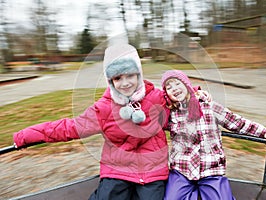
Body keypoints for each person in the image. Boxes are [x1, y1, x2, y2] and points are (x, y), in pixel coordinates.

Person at [13, 44, 171, 200]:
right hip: (118, 170)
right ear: (111, 81)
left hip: (153, 172)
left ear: (139, 74)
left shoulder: (157, 98)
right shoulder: (104, 109)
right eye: (118, 78)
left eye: (130, 75)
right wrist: (25, 136)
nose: (125, 83)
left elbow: (184, 104)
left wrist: (194, 94)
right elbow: (69, 128)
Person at [161, 70, 266, 200]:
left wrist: (261, 132)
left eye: (177, 83)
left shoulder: (209, 107)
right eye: (169, 88)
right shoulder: (170, 113)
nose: (174, 89)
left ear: (186, 84)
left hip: (210, 168)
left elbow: (235, 121)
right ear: (167, 94)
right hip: (182, 169)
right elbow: (153, 110)